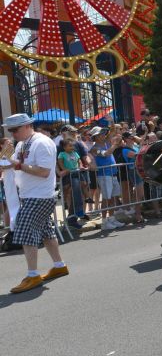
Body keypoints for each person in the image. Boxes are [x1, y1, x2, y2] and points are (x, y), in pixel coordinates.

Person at [2, 114, 69, 294]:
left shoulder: (41, 142)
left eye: (15, 129)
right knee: (46, 231)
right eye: (10, 130)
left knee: (25, 233)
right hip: (31, 195)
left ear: (27, 126)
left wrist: (16, 164)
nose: (12, 133)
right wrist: (5, 155)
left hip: (39, 196)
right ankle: (59, 265)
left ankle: (33, 275)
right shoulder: (23, 144)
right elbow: (9, 164)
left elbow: (44, 172)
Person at [89, 127, 125, 230]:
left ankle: (112, 218)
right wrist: (115, 144)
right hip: (104, 175)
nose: (102, 135)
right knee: (106, 198)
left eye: (103, 133)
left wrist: (112, 122)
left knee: (113, 197)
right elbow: (106, 154)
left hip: (113, 173)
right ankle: (104, 222)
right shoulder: (94, 148)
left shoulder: (107, 143)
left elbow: (113, 130)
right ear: (95, 137)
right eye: (100, 134)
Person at [56, 139, 88, 229]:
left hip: (76, 173)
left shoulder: (74, 152)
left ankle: (75, 215)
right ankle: (73, 215)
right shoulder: (60, 151)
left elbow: (80, 160)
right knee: (70, 192)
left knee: (79, 190)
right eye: (70, 145)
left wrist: (81, 166)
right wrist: (61, 172)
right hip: (67, 176)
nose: (72, 147)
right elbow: (58, 162)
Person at [121, 133, 145, 223]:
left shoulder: (135, 146)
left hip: (139, 170)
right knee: (139, 194)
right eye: (130, 137)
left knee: (139, 194)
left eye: (132, 136)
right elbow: (137, 155)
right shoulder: (125, 150)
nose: (132, 138)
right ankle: (138, 214)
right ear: (126, 139)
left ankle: (138, 213)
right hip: (134, 171)